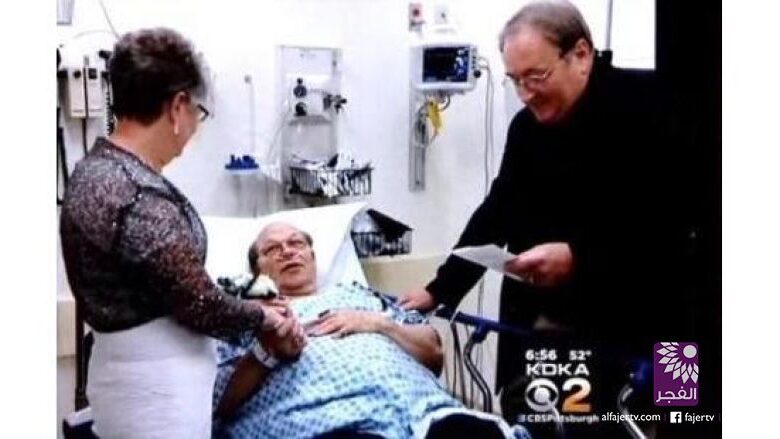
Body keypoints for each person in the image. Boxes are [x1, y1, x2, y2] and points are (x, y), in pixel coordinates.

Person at [399, 0, 697, 434]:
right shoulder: (527, 129)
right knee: (557, 428)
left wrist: (581, 258)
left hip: (667, 323)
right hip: (558, 327)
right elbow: (496, 211)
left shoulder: (658, 107)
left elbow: (681, 223)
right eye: (515, 80)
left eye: (536, 77)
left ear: (581, 55)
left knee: (683, 419)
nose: (525, 94)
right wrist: (440, 289)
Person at [59, 28, 304, 438]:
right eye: (198, 114)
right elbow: (199, 303)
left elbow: (164, 287)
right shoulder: (136, 192)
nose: (194, 129)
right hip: (158, 401)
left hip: (129, 387)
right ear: (177, 107)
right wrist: (263, 315)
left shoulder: (93, 172)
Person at [212, 222, 529, 439]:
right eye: (273, 249)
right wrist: (267, 352)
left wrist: (379, 323)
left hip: (421, 413)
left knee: (469, 433)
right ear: (257, 269)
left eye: (296, 243)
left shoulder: (363, 296)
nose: (288, 251)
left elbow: (434, 352)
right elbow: (218, 403)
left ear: (312, 256)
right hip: (326, 420)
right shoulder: (245, 317)